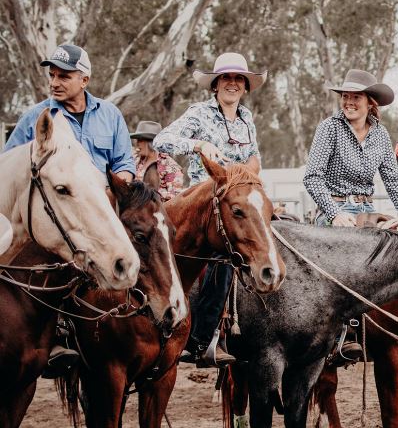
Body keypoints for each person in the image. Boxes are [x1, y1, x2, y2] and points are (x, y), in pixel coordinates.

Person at [4, 43, 136, 374]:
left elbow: (124, 162)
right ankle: (58, 334)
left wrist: (112, 186)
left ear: (85, 79)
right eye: (52, 75)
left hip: (102, 207)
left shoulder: (110, 115)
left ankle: (153, 320)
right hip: (57, 213)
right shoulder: (37, 118)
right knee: (52, 255)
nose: (55, 82)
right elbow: (10, 166)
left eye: (65, 75)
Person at [153, 51, 267, 367]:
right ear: (215, 85)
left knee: (273, 235)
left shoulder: (247, 119)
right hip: (205, 201)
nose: (232, 83)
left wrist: (249, 174)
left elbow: (256, 157)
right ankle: (201, 338)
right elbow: (163, 140)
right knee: (224, 252)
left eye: (238, 79)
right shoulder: (199, 113)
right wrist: (198, 145)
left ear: (245, 86)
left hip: (240, 198)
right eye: (226, 78)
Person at [302, 69, 398, 226]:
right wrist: (335, 214)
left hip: (368, 211)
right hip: (335, 209)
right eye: (345, 96)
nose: (349, 102)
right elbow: (312, 177)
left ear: (370, 102)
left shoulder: (381, 134)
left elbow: (393, 181)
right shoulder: (330, 127)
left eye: (356, 96)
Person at [130, 120, 184, 200]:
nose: (137, 143)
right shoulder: (135, 161)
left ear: (150, 142)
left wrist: (149, 195)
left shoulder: (170, 166)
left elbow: (175, 197)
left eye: (140, 140)